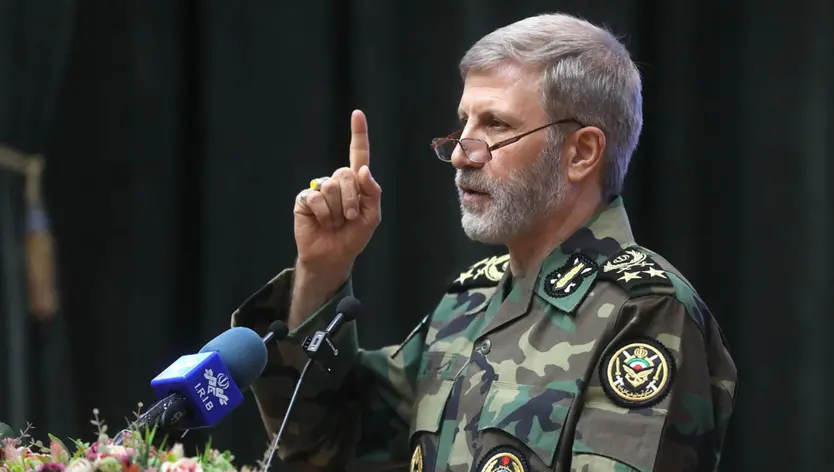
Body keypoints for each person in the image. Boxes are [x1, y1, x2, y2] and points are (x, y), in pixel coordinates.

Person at [231, 12, 737, 472]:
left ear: (581, 153)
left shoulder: (645, 311)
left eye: (495, 125)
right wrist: (323, 269)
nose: (460, 154)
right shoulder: (470, 301)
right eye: (464, 123)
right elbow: (320, 442)